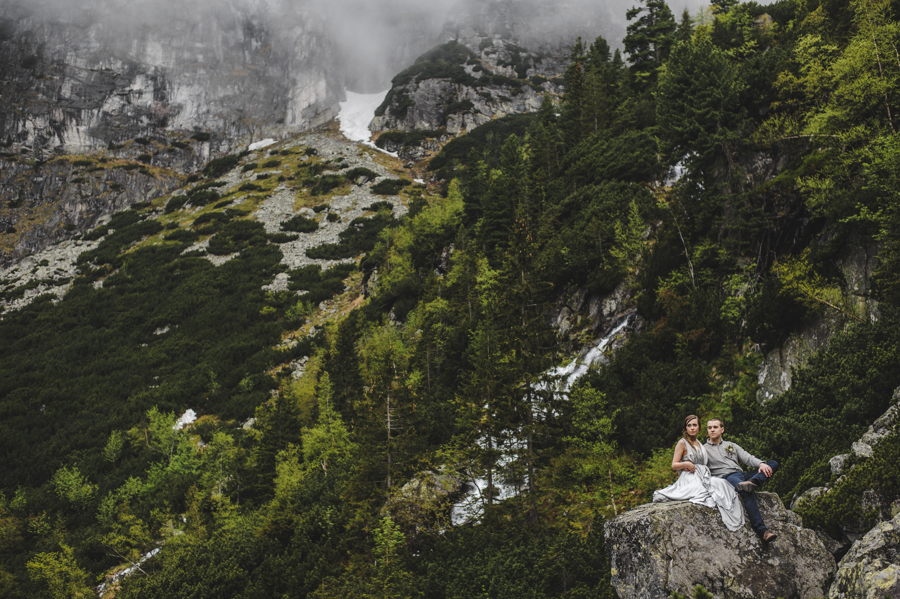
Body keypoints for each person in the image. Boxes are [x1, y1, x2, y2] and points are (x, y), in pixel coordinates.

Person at [653, 415, 744, 532]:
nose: (692, 428)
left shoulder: (699, 443)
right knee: (708, 491)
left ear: (699, 427)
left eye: (694, 425)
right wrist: (686, 464)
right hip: (690, 476)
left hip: (703, 475)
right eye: (689, 425)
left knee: (721, 483)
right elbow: (674, 465)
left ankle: (733, 509)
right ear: (685, 428)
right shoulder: (683, 442)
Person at [705, 417, 779, 542]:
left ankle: (755, 481)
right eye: (709, 427)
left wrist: (761, 464)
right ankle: (762, 531)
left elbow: (748, 458)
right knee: (745, 490)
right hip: (727, 477)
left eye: (715, 427)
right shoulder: (703, 449)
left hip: (743, 475)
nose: (712, 430)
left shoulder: (731, 445)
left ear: (722, 429)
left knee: (773, 464)